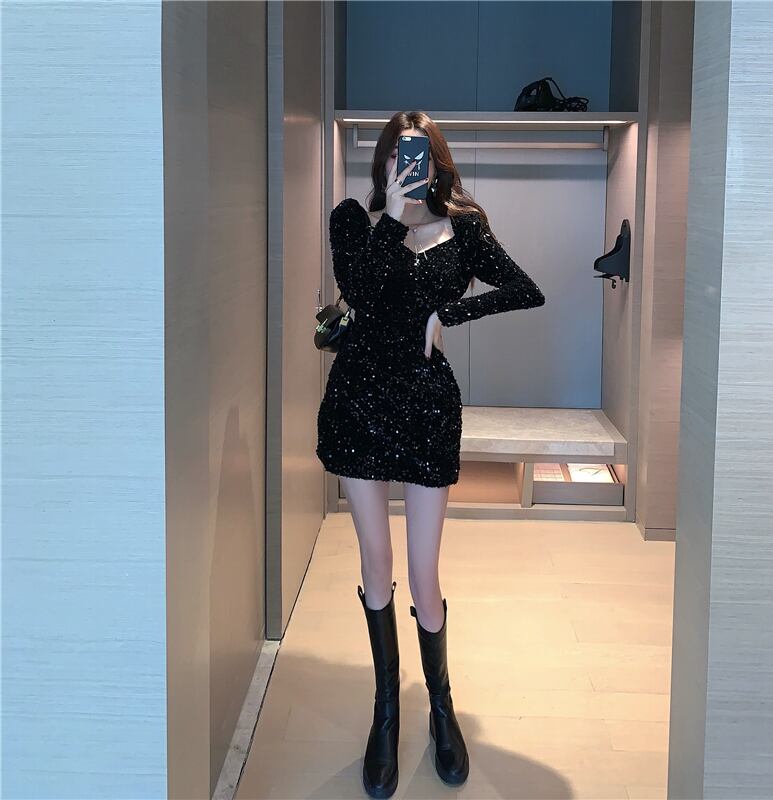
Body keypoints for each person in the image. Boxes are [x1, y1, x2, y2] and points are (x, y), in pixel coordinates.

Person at [316, 111, 546, 798]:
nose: (404, 165)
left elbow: (526, 289)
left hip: (425, 406)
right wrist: (392, 215)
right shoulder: (353, 220)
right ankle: (387, 711)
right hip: (359, 400)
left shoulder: (464, 228)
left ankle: (441, 708)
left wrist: (449, 314)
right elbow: (360, 291)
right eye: (395, 155)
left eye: (414, 155)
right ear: (383, 162)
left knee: (423, 570)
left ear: (435, 162)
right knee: (376, 562)